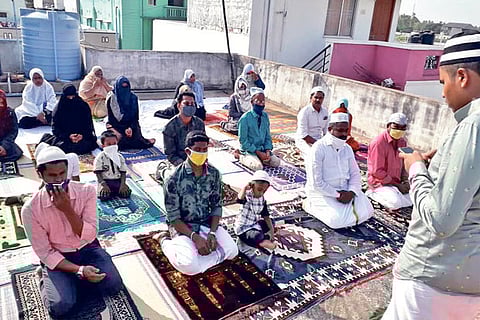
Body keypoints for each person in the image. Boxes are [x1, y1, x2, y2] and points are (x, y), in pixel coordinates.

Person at [382, 32, 480, 320]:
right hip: (469, 282)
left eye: (443, 83)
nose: (442, 93)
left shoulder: (473, 126)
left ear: (461, 77)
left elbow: (441, 219)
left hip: (434, 278)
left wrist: (415, 168)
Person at [21, 146, 123, 317]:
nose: (59, 180)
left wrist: (67, 209)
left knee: (113, 286)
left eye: (62, 173)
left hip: (88, 249)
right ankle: (45, 278)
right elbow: (45, 252)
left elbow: (90, 235)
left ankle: (73, 281)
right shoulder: (31, 209)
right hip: (59, 257)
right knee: (61, 306)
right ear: (40, 175)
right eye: (52, 176)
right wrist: (79, 270)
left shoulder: (86, 191)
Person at [154, 131, 238, 275]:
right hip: (183, 228)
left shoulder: (214, 174)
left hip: (206, 223)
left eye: (205, 150)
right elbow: (173, 217)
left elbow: (216, 206)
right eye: (198, 150)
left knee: (233, 251)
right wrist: (194, 237)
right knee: (188, 267)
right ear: (188, 151)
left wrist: (212, 232)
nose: (202, 153)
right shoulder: (173, 179)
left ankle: (199, 263)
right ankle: (164, 240)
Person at [303, 113, 373, 229]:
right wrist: (338, 194)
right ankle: (309, 204)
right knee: (336, 221)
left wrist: (351, 192)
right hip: (323, 193)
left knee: (368, 211)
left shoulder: (347, 149)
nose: (344, 134)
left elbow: (355, 174)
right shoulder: (318, 148)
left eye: (346, 130)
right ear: (330, 129)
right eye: (340, 130)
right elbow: (317, 183)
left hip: (346, 191)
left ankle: (345, 208)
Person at [366, 112, 412, 210]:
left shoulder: (402, 142)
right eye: (396, 127)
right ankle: (371, 194)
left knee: (416, 198)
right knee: (395, 203)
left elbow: (404, 164)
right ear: (388, 126)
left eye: (402, 128)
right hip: (380, 183)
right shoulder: (378, 143)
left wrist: (405, 181)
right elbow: (377, 172)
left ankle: (397, 193)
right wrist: (397, 185)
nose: (399, 130)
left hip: (396, 183)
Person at [156, 92, 205, 183]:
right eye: (186, 104)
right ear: (178, 105)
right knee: (174, 180)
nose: (190, 106)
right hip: (177, 160)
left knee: (210, 177)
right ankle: (162, 168)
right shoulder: (170, 127)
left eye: (192, 104)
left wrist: (201, 164)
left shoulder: (199, 124)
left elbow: (203, 147)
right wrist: (185, 166)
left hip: (195, 159)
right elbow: (170, 154)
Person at [39, 84, 98, 155]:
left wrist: (81, 135)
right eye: (68, 96)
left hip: (81, 137)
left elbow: (88, 125)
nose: (71, 99)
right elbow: (56, 129)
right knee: (62, 146)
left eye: (73, 96)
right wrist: (68, 136)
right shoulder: (59, 109)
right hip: (65, 137)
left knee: (86, 145)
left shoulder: (83, 106)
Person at [106, 76, 155, 150]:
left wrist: (130, 128)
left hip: (130, 125)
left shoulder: (133, 98)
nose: (124, 91)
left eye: (126, 87)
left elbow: (135, 118)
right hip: (116, 126)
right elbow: (111, 119)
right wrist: (121, 130)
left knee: (137, 140)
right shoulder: (112, 99)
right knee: (116, 141)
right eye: (122, 88)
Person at [238, 87, 281, 171]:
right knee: (258, 167)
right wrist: (258, 152)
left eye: (263, 102)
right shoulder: (245, 118)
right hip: (250, 150)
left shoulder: (265, 116)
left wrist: (267, 151)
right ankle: (240, 156)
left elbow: (268, 136)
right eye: (258, 101)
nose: (261, 104)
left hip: (262, 148)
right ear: (252, 102)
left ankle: (261, 158)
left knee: (276, 163)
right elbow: (243, 141)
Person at [234, 170, 276, 250]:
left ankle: (265, 237)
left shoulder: (262, 200)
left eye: (264, 191)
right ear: (252, 186)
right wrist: (245, 188)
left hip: (254, 224)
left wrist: (272, 231)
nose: (261, 193)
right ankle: (263, 241)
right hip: (243, 228)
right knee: (257, 236)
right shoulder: (247, 196)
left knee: (272, 222)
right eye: (259, 189)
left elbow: (266, 216)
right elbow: (239, 199)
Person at [94, 130, 131, 201]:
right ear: (103, 146)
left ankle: (117, 190)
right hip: (105, 182)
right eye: (109, 144)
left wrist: (123, 184)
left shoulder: (120, 157)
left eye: (114, 144)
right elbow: (98, 173)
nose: (112, 146)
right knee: (103, 196)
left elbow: (123, 172)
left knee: (126, 193)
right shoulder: (100, 157)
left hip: (118, 181)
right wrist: (103, 185)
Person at [295, 87, 329, 158]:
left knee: (329, 153)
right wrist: (318, 144)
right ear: (311, 98)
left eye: (320, 98)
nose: (318, 100)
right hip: (304, 140)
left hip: (319, 139)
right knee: (314, 155)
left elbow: (326, 131)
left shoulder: (325, 112)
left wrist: (326, 143)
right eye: (316, 97)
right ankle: (300, 151)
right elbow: (303, 135)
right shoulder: (304, 112)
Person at [0, 89, 23, 162]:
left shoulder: (9, 113)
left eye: (2, 102)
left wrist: (4, 146)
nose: (1, 105)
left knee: (15, 153)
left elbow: (13, 132)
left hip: (4, 141)